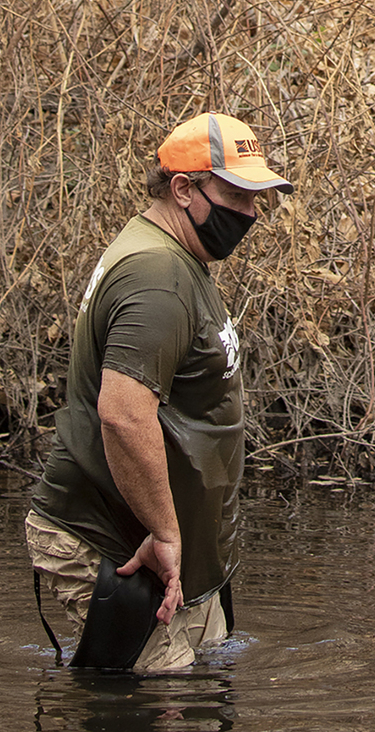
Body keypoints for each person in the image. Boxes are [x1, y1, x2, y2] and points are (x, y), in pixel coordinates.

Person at [26, 111, 291, 673]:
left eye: (257, 197)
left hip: (171, 547)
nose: (250, 214)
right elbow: (123, 415)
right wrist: (165, 532)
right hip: (118, 542)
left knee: (201, 708)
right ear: (183, 189)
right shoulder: (157, 278)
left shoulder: (178, 257)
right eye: (237, 196)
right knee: (154, 710)